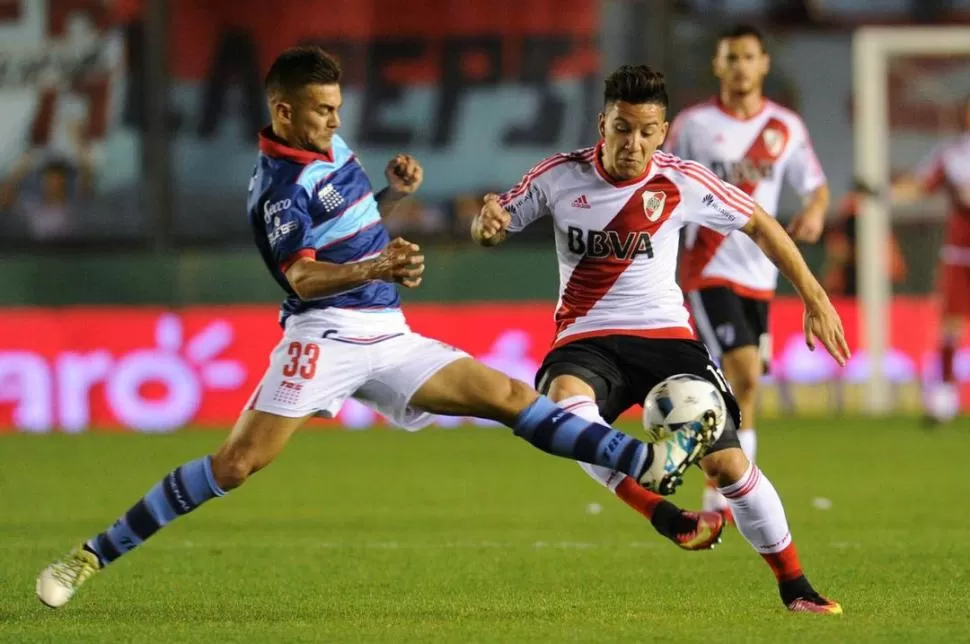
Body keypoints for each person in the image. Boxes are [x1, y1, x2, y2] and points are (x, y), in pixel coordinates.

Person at [34, 46, 716, 609]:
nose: (335, 121)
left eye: (337, 109)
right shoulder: (277, 188)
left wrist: (392, 196)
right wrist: (378, 265)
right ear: (284, 111)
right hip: (322, 336)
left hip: (386, 333)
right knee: (236, 465)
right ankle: (91, 555)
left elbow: (351, 228)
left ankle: (645, 460)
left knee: (510, 399)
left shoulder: (330, 147)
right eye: (323, 110)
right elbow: (301, 277)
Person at [472, 64, 847, 614]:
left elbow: (761, 223)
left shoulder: (682, 181)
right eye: (623, 128)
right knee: (567, 412)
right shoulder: (559, 176)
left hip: (668, 340)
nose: (635, 143)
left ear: (663, 130)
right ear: (603, 123)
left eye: (648, 132)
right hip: (586, 338)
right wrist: (488, 224)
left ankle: (796, 586)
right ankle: (666, 515)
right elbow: (499, 217)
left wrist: (815, 297)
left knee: (728, 469)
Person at [664, 24, 830, 518]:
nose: (739, 66)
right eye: (730, 57)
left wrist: (817, 210)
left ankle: (732, 484)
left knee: (748, 382)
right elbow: (662, 181)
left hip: (761, 274)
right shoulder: (692, 125)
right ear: (718, 66)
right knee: (740, 368)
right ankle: (734, 489)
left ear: (764, 65)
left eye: (748, 57)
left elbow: (815, 185)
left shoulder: (785, 128)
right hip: (706, 267)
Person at [890, 95, 970, 423]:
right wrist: (885, 192)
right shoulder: (953, 155)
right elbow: (921, 184)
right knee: (950, 327)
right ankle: (946, 397)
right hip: (959, 254)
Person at [821, 178, 907, 297]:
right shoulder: (844, 224)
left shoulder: (879, 229)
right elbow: (836, 256)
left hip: (875, 293)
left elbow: (896, 269)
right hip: (846, 294)